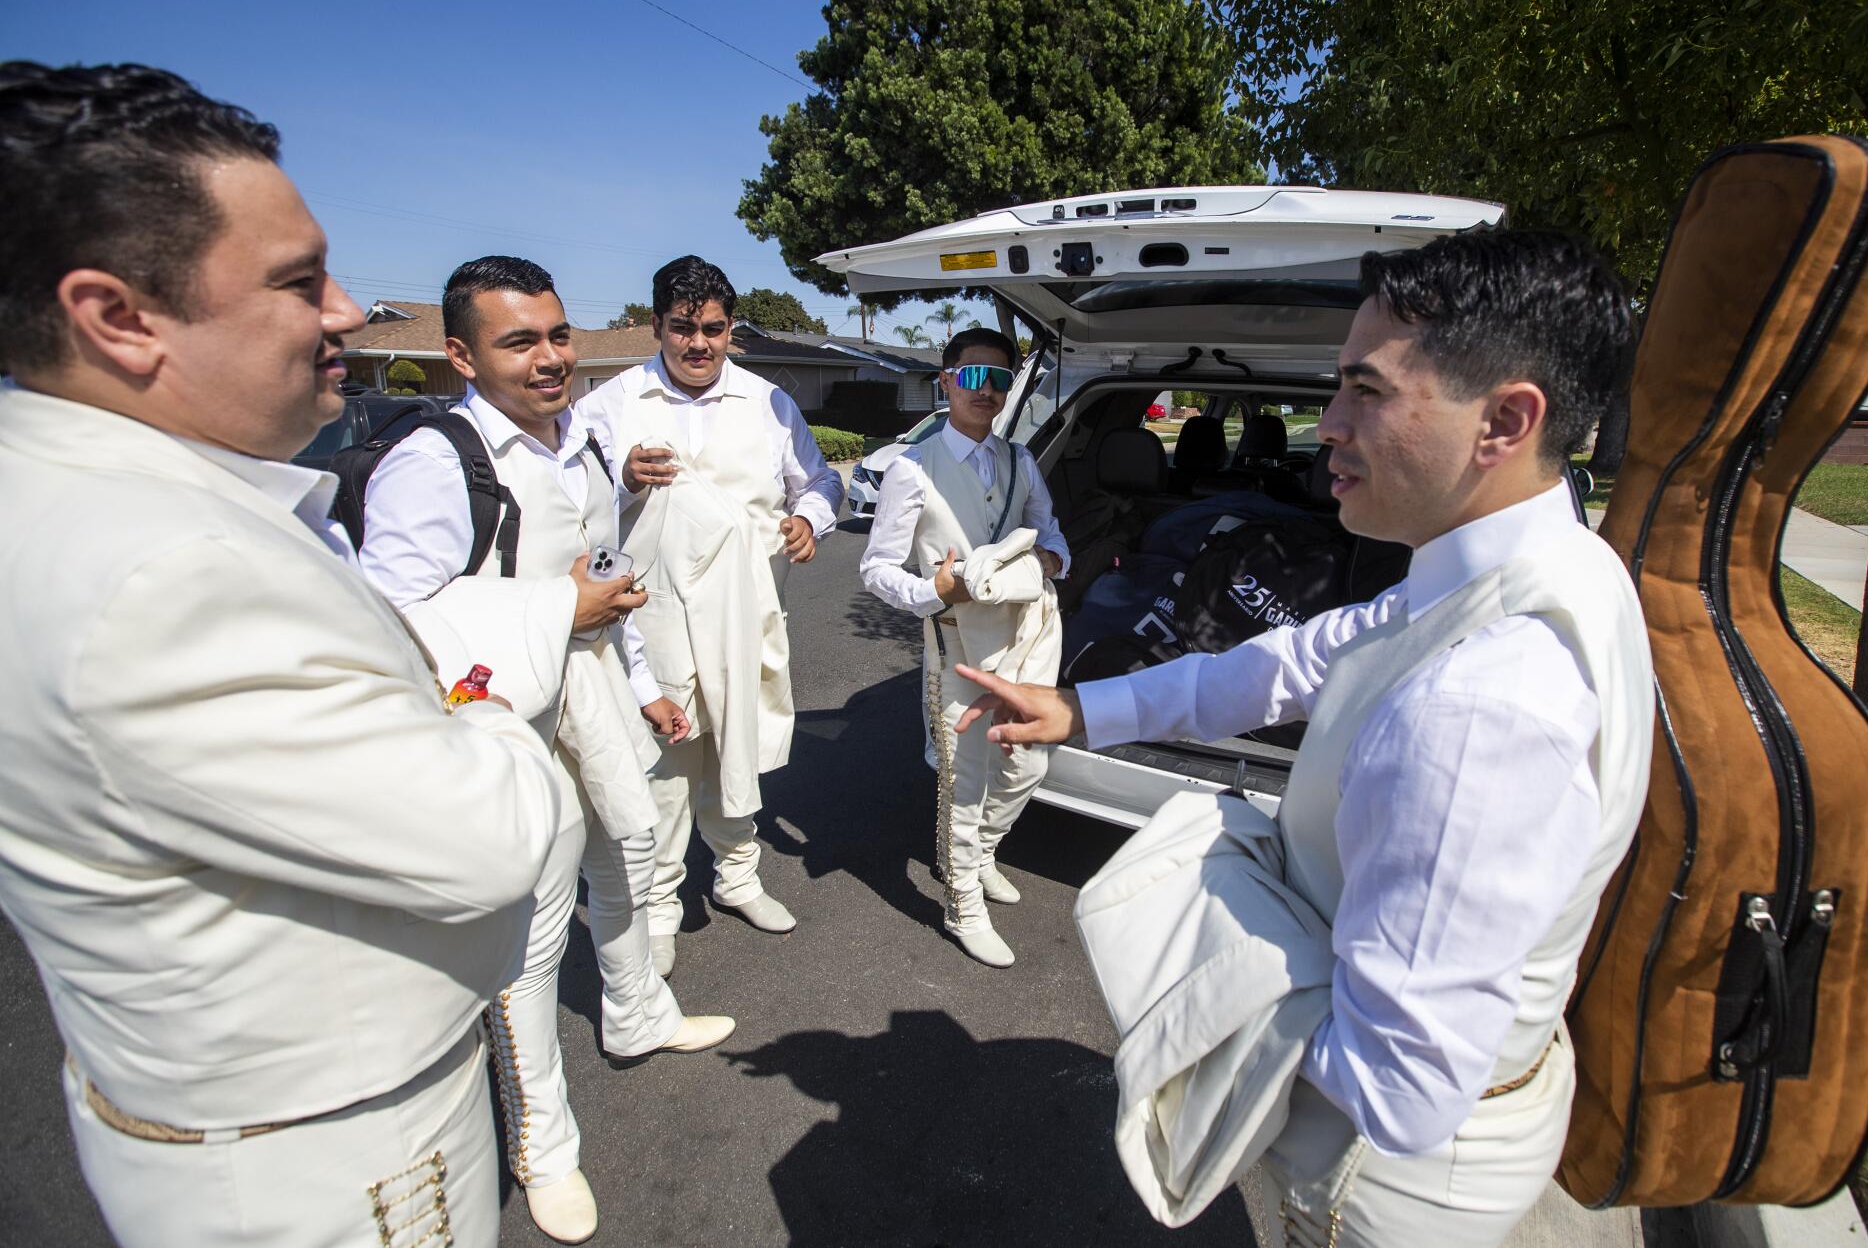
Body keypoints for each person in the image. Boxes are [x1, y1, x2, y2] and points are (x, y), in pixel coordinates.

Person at [953, 231, 1654, 1245]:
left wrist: (1217, 945)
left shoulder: (1478, 709)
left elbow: (1399, 1087)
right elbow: (1291, 660)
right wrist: (1084, 709)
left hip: (1379, 1185)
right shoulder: (1548, 562)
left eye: (1364, 392)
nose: (1322, 427)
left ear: (1503, 419)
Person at [0, 61, 566, 1247]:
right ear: (117, 317)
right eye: (299, 280)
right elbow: (487, 839)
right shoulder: (168, 576)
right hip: (336, 1167)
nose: (350, 310)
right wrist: (476, 697)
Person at [356, 256, 736, 1242]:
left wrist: (645, 687)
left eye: (558, 334)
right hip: (495, 718)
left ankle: (636, 1012)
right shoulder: (436, 460)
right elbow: (390, 618)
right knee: (528, 935)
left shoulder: (579, 444)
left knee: (631, 850)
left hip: (594, 689)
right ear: (461, 355)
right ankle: (544, 1146)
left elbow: (606, 578)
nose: (550, 358)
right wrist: (558, 606)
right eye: (518, 340)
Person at [576, 256, 840, 968]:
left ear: (731, 328)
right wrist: (623, 479)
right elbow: (571, 506)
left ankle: (737, 876)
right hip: (651, 613)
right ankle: (659, 903)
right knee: (662, 763)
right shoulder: (611, 402)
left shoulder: (766, 402)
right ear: (657, 324)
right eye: (683, 329)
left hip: (745, 610)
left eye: (714, 329)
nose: (699, 344)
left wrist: (810, 519)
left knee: (735, 745)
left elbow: (819, 480)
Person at [858, 328, 1068, 967]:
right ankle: (961, 904)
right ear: (945, 381)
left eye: (1001, 379)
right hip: (957, 643)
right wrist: (936, 588)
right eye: (973, 377)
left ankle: (984, 855)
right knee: (964, 776)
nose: (988, 391)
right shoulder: (911, 469)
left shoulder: (1020, 462)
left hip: (1026, 636)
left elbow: (1054, 537)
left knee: (1030, 765)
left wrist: (1050, 562)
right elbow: (875, 569)